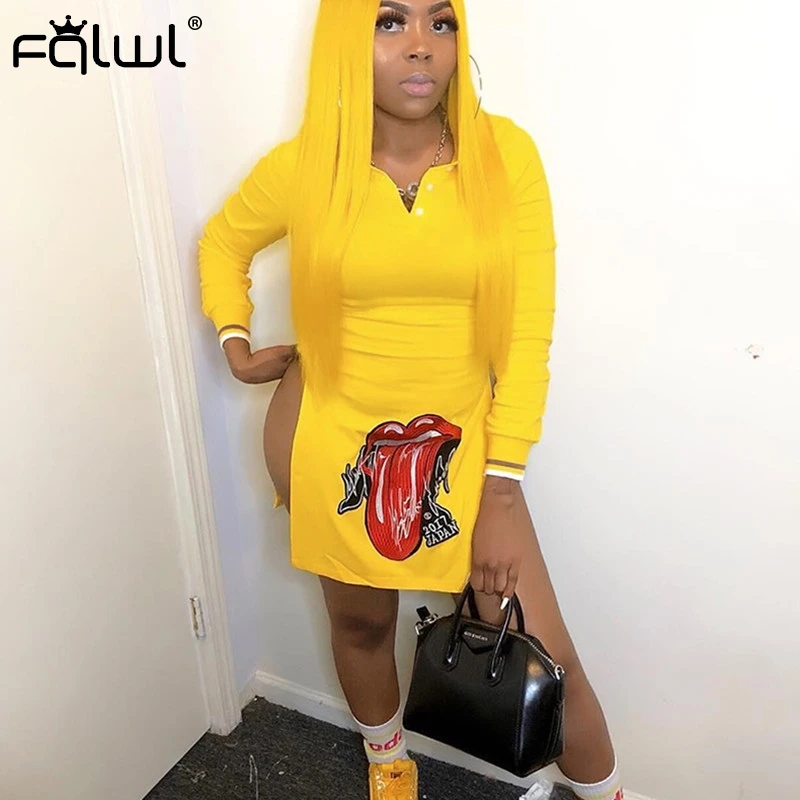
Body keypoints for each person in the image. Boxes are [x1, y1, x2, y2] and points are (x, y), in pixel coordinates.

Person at [197, 2, 624, 799]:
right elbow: (223, 240)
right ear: (346, 40)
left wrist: (501, 489)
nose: (421, 45)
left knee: (545, 655)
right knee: (362, 623)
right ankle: (388, 765)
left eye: (441, 21)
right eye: (390, 21)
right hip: (329, 438)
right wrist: (236, 339)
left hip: (465, 451)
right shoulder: (305, 168)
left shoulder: (506, 158)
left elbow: (528, 334)